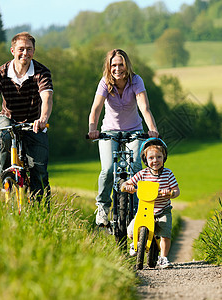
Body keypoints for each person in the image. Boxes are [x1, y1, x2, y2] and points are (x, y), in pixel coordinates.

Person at [0, 32, 53, 206]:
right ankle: (4, 179)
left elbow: (47, 98)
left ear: (34, 51)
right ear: (12, 50)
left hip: (34, 122)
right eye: (21, 49)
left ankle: (42, 213)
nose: (25, 53)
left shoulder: (42, 72)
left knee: (38, 171)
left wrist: (42, 118)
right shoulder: (0, 73)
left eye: (29, 49)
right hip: (8, 118)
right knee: (4, 137)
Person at [88, 49, 159, 226]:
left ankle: (137, 211)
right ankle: (103, 207)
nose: (117, 69)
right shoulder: (105, 82)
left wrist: (152, 129)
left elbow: (144, 107)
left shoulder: (136, 80)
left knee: (135, 165)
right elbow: (96, 108)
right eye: (114, 65)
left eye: (121, 65)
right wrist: (92, 129)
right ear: (109, 67)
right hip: (109, 132)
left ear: (126, 65)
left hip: (134, 130)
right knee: (108, 169)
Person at [122, 138, 180, 269]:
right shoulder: (142, 174)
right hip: (145, 210)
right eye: (151, 158)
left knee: (165, 234)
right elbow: (127, 183)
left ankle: (163, 258)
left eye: (159, 157)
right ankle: (135, 243)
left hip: (162, 210)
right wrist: (128, 186)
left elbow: (177, 191)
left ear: (164, 157)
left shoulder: (168, 174)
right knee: (131, 231)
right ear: (145, 159)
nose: (155, 161)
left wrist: (170, 192)